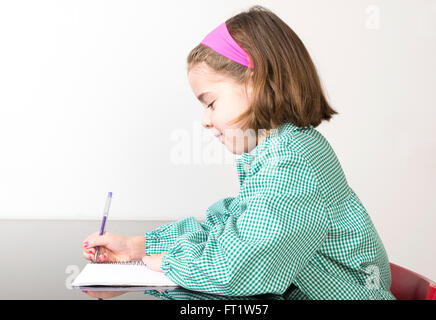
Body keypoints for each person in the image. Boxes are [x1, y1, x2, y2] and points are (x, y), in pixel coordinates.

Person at [82, 5, 396, 300]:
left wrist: (167, 262)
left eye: (210, 102)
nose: (205, 121)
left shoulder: (291, 162)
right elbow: (229, 227)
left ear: (255, 83)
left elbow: (234, 267)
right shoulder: (274, 150)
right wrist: (139, 246)